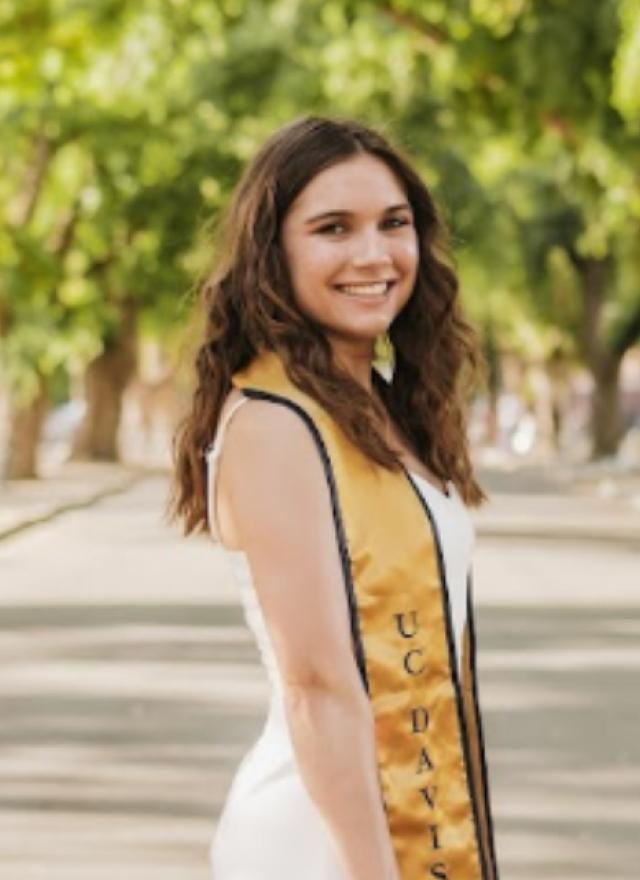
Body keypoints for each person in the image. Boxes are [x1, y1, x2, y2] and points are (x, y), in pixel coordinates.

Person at [169, 115, 499, 880]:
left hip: (390, 819)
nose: (373, 254)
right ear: (271, 254)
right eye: (332, 229)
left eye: (394, 223)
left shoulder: (379, 410)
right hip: (320, 842)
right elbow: (317, 686)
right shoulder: (275, 424)